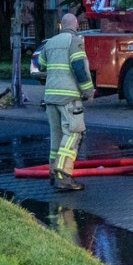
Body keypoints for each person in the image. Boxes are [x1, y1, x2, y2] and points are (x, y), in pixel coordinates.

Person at [40, 13, 94, 191]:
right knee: (73, 133)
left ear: (61, 25)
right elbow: (78, 66)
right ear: (76, 25)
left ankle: (53, 172)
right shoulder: (74, 41)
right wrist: (88, 91)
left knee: (57, 136)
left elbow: (40, 64)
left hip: (50, 97)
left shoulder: (50, 42)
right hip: (69, 97)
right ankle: (64, 175)